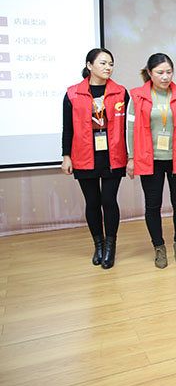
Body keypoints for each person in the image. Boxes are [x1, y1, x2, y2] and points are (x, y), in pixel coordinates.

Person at [127, 53, 176, 269]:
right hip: (150, 159)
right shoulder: (137, 96)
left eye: (169, 72)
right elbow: (130, 129)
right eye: (160, 72)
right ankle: (158, 247)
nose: (165, 77)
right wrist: (131, 157)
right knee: (153, 205)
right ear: (150, 73)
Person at [61, 48, 128, 269]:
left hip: (113, 156)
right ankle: (98, 245)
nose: (108, 67)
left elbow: (128, 129)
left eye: (111, 64)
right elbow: (67, 128)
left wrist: (131, 156)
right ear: (89, 66)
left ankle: (110, 246)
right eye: (103, 63)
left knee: (109, 200)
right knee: (92, 202)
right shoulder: (73, 94)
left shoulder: (121, 93)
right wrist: (66, 156)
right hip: (83, 156)